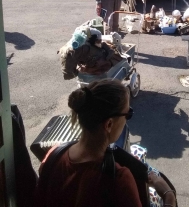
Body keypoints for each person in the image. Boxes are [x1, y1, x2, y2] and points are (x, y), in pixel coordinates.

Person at [33, 80, 176, 207]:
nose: (127, 119)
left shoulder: (53, 154)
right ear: (108, 124)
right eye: (128, 114)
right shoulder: (118, 180)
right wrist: (168, 195)